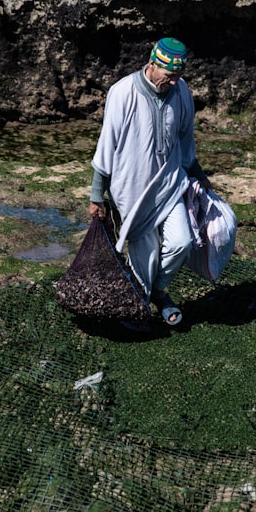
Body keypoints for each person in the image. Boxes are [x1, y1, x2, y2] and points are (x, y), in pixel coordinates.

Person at [88, 37, 211, 329]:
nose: (173, 82)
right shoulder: (123, 92)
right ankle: (136, 309)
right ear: (153, 64)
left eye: (178, 77)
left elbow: (184, 140)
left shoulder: (181, 92)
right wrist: (97, 194)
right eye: (169, 76)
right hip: (132, 190)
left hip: (169, 185)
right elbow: (107, 144)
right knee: (147, 255)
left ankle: (156, 291)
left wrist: (198, 173)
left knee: (182, 243)